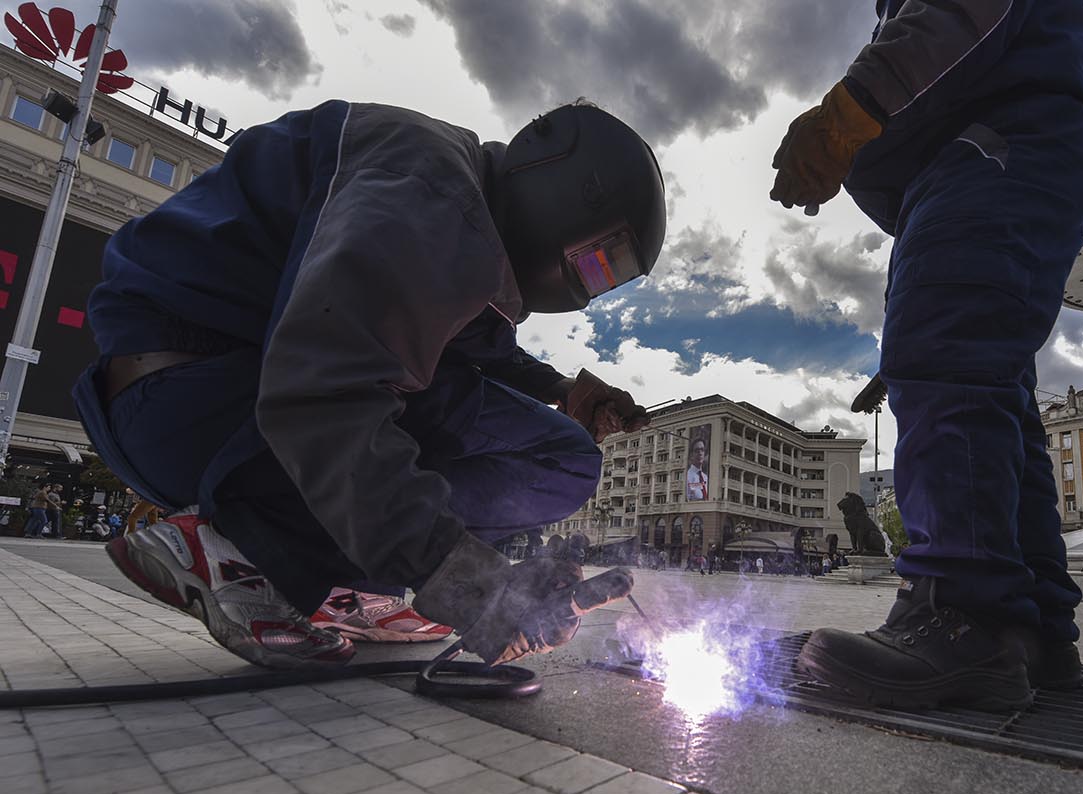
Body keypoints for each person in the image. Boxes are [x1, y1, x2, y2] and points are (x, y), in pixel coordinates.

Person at [76, 100, 664, 669]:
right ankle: (247, 551)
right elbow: (328, 395)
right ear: (564, 189)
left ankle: (350, 590)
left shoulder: (453, 202)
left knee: (565, 454)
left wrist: (562, 388)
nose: (589, 286)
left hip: (202, 402)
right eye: (596, 264)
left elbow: (451, 341)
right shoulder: (430, 198)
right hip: (196, 397)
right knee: (547, 455)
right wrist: (472, 587)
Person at [771, 0, 1083, 711]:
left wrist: (844, 119)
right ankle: (1031, 629)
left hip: (991, 144)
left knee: (948, 347)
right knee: (993, 383)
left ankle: (961, 615)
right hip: (981, 154)